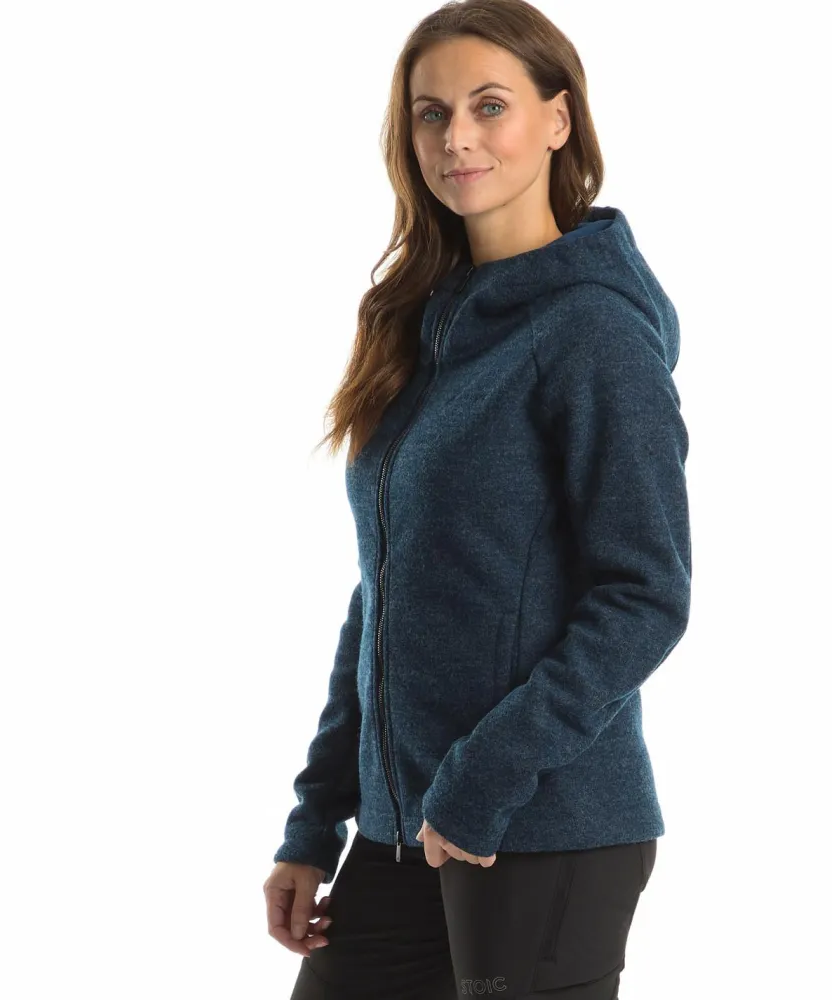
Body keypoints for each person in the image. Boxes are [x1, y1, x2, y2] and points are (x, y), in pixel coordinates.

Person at [263, 1, 691, 996]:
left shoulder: (593, 330)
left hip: (543, 831)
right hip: (403, 830)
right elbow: (386, 591)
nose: (455, 136)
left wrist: (481, 780)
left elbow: (645, 595)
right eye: (431, 113)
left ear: (557, 119)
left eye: (489, 106)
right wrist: (315, 822)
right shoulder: (418, 328)